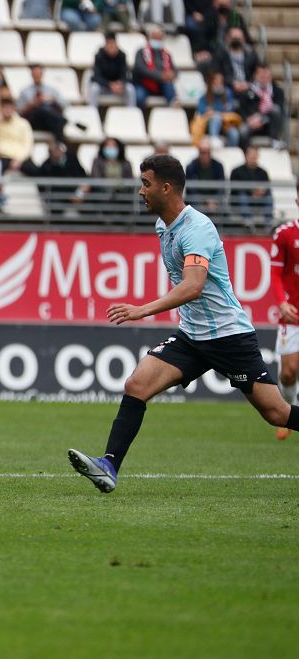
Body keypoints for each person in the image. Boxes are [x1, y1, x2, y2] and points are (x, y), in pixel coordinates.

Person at [67, 154, 299, 493]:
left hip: (228, 336)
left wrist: (141, 310)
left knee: (277, 414)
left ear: (166, 187)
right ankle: (108, 466)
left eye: (145, 184)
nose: (140, 191)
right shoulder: (163, 225)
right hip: (192, 337)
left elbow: (193, 286)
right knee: (137, 385)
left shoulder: (198, 228)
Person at [270, 187, 299, 438]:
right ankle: (287, 412)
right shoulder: (285, 234)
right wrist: (281, 303)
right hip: (292, 314)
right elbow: (275, 274)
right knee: (289, 373)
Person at [0, 97, 33, 172]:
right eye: (5, 108)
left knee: (38, 172)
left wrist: (18, 160)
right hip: (2, 157)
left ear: (14, 109)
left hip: (21, 158)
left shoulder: (23, 123)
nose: (7, 110)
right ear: (1, 109)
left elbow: (28, 144)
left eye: (9, 108)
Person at [238, 64, 285, 149]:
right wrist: (248, 120)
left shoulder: (278, 91)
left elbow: (280, 109)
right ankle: (247, 154)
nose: (264, 79)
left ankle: (275, 141)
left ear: (271, 77)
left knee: (275, 109)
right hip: (252, 123)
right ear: (255, 76)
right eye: (261, 76)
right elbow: (241, 109)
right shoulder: (247, 91)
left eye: (267, 76)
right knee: (242, 130)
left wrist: (261, 118)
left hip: (269, 123)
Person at [17, 64, 68, 140]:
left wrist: (53, 99)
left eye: (38, 74)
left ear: (42, 74)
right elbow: (19, 112)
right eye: (35, 74)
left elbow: (65, 105)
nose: (37, 76)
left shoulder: (51, 90)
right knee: (42, 111)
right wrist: (33, 104)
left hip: (48, 122)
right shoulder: (25, 92)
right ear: (32, 75)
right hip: (34, 121)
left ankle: (58, 146)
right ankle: (61, 145)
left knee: (48, 112)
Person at [190, 71, 240, 146]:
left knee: (234, 133)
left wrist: (215, 111)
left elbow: (230, 109)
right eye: (216, 83)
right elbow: (201, 110)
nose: (218, 85)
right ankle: (213, 139)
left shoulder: (227, 94)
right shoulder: (205, 96)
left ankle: (232, 150)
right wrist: (215, 111)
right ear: (211, 83)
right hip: (208, 124)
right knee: (216, 118)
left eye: (220, 83)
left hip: (225, 123)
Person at [132, 26, 178, 108]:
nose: (157, 40)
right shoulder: (141, 52)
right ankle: (140, 118)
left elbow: (174, 69)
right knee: (139, 97)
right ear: (149, 38)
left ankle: (174, 108)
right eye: (155, 37)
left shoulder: (166, 54)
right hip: (143, 84)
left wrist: (172, 74)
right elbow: (140, 69)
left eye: (159, 38)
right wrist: (159, 75)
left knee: (169, 86)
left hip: (161, 85)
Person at [81, 137, 133, 207]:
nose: (111, 148)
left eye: (113, 146)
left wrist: (118, 191)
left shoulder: (126, 163)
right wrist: (110, 191)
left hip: (121, 197)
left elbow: (129, 180)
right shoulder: (97, 161)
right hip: (102, 196)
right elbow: (96, 178)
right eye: (108, 146)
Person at [89, 32, 136, 107]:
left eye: (113, 43)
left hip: (119, 87)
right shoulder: (99, 56)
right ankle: (91, 111)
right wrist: (109, 84)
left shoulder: (122, 56)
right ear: (105, 45)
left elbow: (124, 74)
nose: (111, 46)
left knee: (130, 89)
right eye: (109, 44)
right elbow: (96, 76)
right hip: (104, 86)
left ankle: (131, 112)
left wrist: (120, 84)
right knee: (94, 88)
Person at [229, 145, 272, 222]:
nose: (253, 158)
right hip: (240, 202)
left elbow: (267, 187)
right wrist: (251, 192)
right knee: (242, 195)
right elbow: (234, 189)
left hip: (259, 201)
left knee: (269, 196)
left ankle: (269, 223)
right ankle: (248, 221)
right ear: (246, 156)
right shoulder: (236, 171)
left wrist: (261, 192)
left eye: (255, 155)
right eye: (251, 155)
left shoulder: (263, 172)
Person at [184, 138, 227, 213]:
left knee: (225, 210)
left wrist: (214, 200)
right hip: (197, 201)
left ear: (210, 152)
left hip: (215, 201)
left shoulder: (218, 166)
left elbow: (221, 188)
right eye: (201, 152)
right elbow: (191, 190)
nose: (203, 155)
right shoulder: (191, 166)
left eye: (206, 152)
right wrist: (205, 201)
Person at [215, 26, 258, 97]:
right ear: (227, 38)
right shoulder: (221, 54)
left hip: (248, 86)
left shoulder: (251, 54)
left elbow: (257, 72)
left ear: (244, 39)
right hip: (228, 86)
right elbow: (217, 73)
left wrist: (249, 83)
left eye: (239, 39)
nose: (237, 41)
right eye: (234, 39)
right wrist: (232, 83)